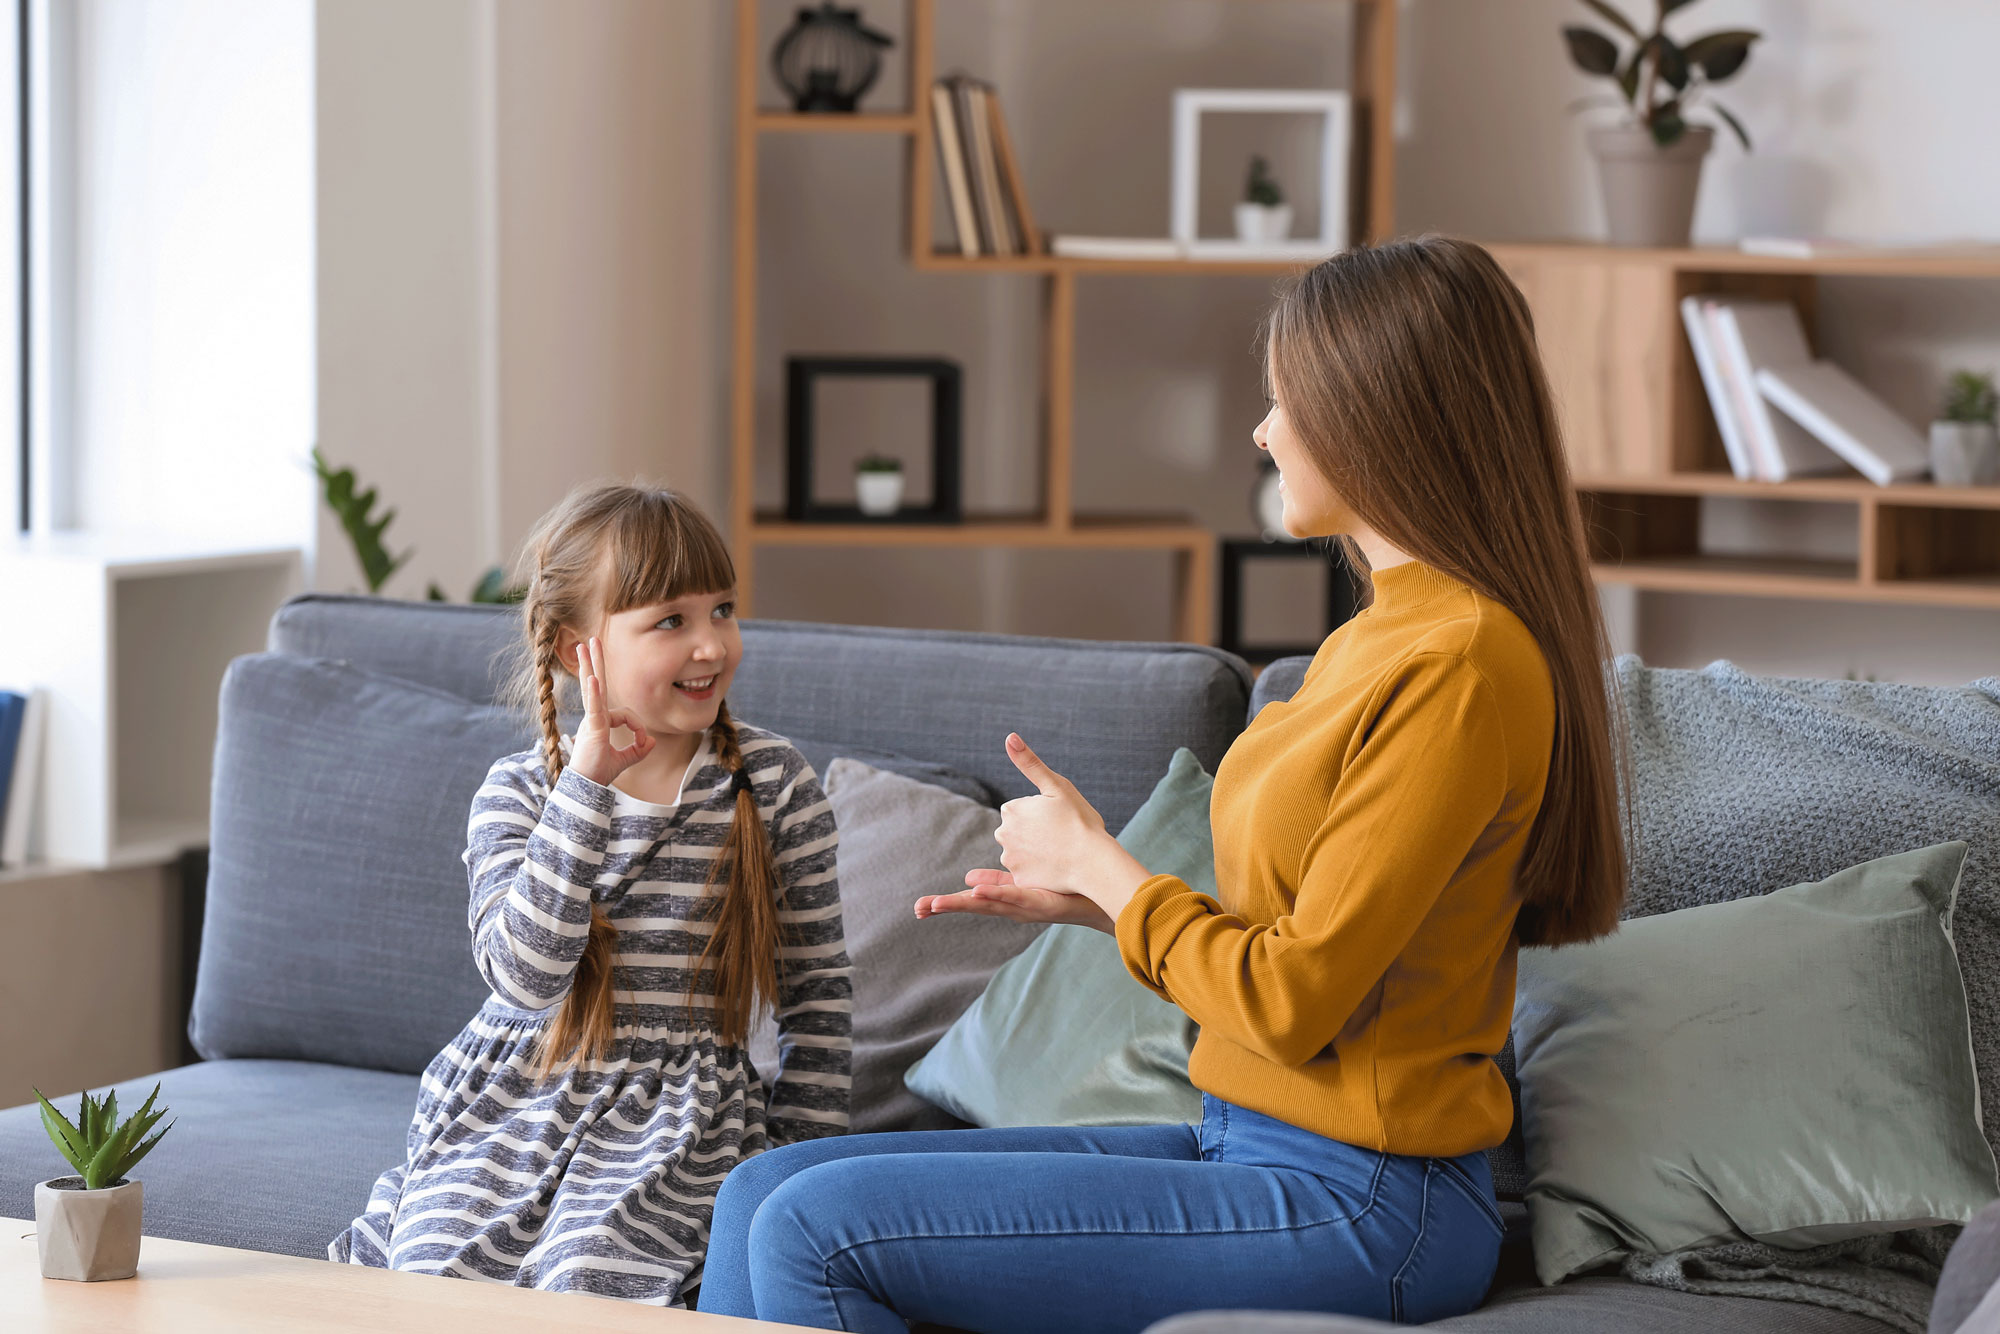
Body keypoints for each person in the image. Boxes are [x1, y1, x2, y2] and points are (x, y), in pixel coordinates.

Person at [697, 235, 1628, 1332]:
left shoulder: (1457, 666)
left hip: (1369, 1196)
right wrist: (1097, 905)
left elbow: (1292, 1000)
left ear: (1375, 415)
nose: (1262, 429)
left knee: (817, 1229)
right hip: (1250, 1138)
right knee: (761, 1187)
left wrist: (1112, 870)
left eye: (1285, 400)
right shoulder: (1378, 640)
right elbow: (1307, 936)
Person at [330, 483, 852, 1307]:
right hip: (509, 1104)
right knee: (434, 1281)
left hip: (679, 1121)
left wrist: (797, 1163)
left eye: (722, 609)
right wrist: (586, 788)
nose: (712, 644)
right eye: (670, 622)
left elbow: (817, 1000)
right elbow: (526, 978)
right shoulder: (520, 793)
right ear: (582, 651)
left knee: (597, 1281)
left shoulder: (773, 785)